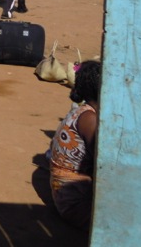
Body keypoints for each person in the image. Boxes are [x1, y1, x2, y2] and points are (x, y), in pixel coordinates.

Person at [49, 59, 101, 230]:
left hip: (67, 194)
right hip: (75, 202)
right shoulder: (89, 119)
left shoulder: (82, 111)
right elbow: (102, 165)